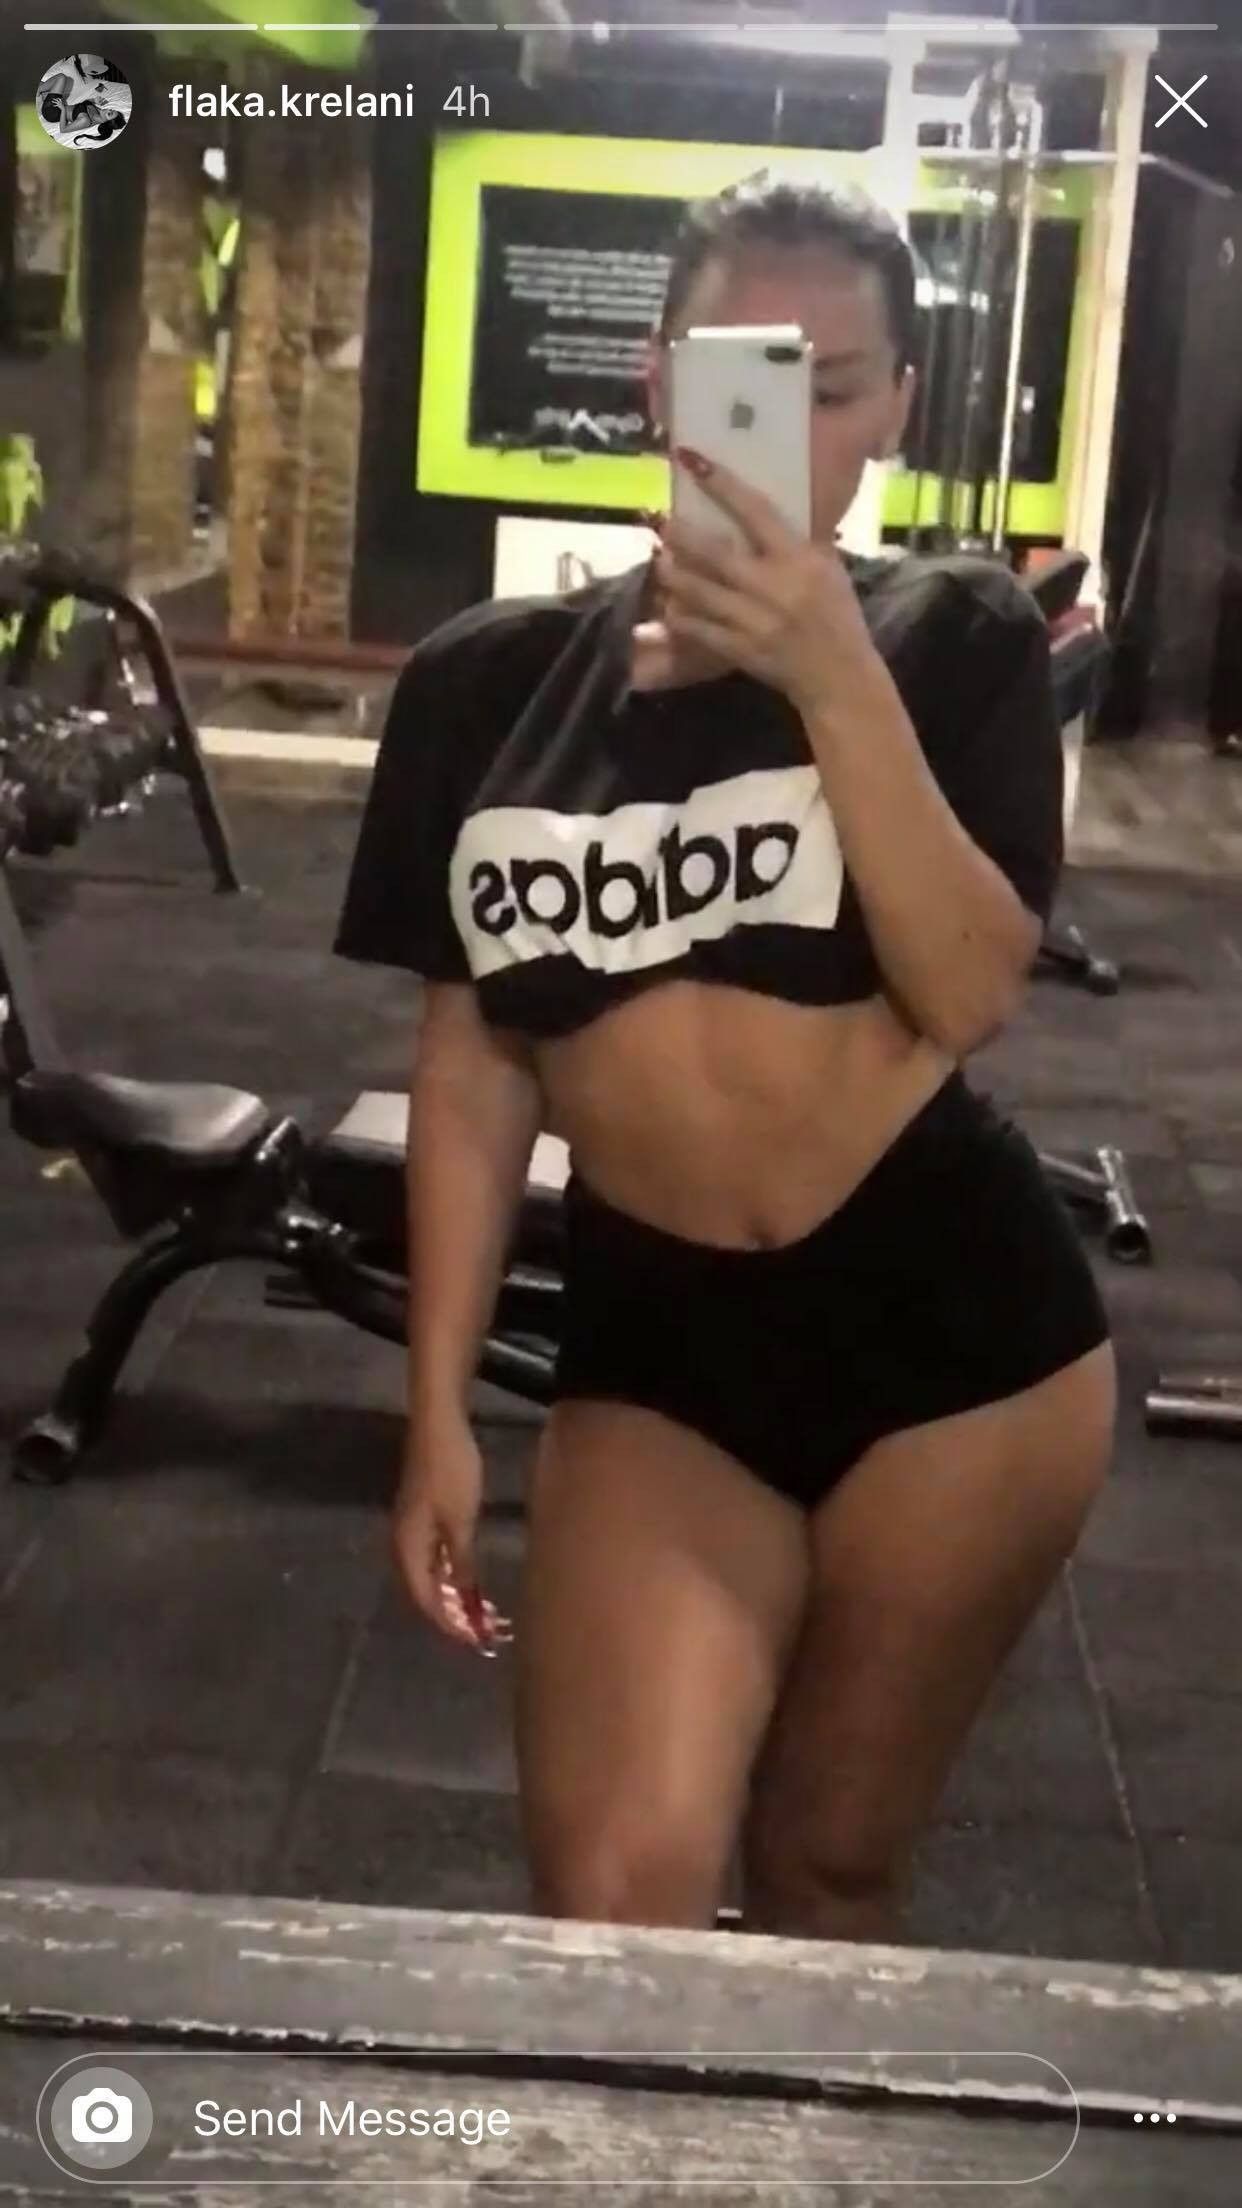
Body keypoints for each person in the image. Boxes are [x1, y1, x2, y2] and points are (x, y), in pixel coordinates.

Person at [336, 174, 1115, 1943]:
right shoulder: (486, 684)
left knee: (830, 1862)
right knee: (615, 1900)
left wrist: (830, 674)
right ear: (654, 385)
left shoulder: (952, 638)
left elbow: (968, 989)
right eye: (735, 377)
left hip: (956, 1343)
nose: (783, 426)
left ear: (893, 405)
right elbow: (473, 1066)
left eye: (829, 387)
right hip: (657, 1335)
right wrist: (436, 1406)